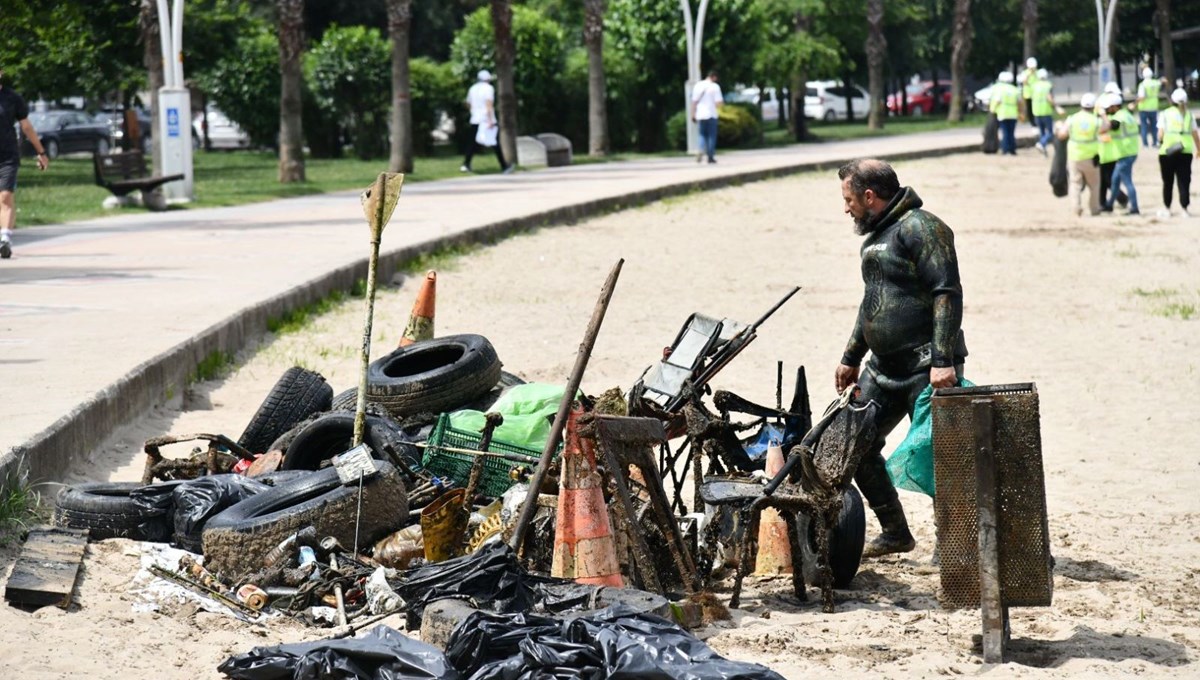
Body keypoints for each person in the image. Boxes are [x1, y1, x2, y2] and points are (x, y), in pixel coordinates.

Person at [834, 159, 967, 559]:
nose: (846, 208)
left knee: (941, 457)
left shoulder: (921, 228)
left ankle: (954, 546)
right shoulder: (874, 239)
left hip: (927, 368)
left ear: (870, 196)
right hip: (883, 368)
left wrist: (942, 360)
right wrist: (851, 356)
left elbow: (947, 292)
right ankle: (895, 531)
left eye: (849, 199)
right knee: (852, 445)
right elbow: (871, 301)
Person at [0, 68, 50, 259]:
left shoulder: (12, 98)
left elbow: (26, 126)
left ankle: (5, 240)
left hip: (7, 156)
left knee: (5, 197)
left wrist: (41, 152)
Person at [1057, 92, 1108, 217]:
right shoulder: (1096, 121)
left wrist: (1059, 128)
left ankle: (1076, 208)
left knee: (1075, 183)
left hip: (1074, 156)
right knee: (1094, 185)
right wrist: (1103, 114)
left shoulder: (1072, 119)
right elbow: (1106, 127)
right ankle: (1094, 209)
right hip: (1091, 157)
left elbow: (1061, 135)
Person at [1156, 88, 1200, 218]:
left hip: (1167, 152)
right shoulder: (1189, 115)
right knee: (1184, 181)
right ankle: (1184, 209)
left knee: (1167, 181)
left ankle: (1167, 208)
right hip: (1185, 151)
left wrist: (1161, 141)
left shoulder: (1165, 114)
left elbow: (1160, 134)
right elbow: (1195, 135)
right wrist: (1199, 149)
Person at [460, 69, 511, 175]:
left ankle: (466, 164)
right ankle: (504, 166)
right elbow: (489, 104)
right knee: (495, 143)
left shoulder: (472, 88)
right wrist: (490, 120)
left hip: (475, 119)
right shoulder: (489, 88)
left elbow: (468, 103)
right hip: (485, 119)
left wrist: (473, 111)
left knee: (472, 143)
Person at [1105, 93, 1140, 215]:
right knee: (1115, 180)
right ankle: (1109, 205)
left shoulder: (1119, 117)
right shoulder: (1126, 114)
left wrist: (1103, 115)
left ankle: (1134, 207)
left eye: (1109, 107)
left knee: (1127, 181)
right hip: (1129, 151)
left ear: (1115, 106)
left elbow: (1112, 126)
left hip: (1125, 153)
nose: (1108, 109)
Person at [1097, 90, 1127, 212]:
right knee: (1102, 183)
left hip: (1109, 155)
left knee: (1108, 181)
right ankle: (1102, 204)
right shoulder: (1106, 119)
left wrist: (1103, 116)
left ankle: (1122, 198)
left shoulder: (1112, 120)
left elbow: (1104, 129)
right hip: (1103, 154)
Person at [690, 71, 723, 164]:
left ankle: (700, 150)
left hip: (700, 114)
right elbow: (718, 102)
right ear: (713, 77)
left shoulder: (698, 85)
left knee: (702, 135)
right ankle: (710, 156)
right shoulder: (715, 87)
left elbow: (694, 101)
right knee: (711, 136)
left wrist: (693, 114)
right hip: (711, 114)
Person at [1030, 68, 1061, 154]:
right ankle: (1041, 144)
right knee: (1050, 133)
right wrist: (1056, 107)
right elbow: (1049, 98)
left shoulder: (1034, 85)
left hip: (1036, 112)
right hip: (1046, 111)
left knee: (1042, 132)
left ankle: (1043, 148)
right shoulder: (1048, 85)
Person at [990, 71, 1020, 156]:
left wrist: (992, 110)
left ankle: (1005, 149)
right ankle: (1013, 149)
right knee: (1011, 132)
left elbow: (997, 101)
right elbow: (1019, 102)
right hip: (1013, 114)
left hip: (1003, 114)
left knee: (1005, 132)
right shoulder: (1015, 89)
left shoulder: (1000, 89)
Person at [1136, 67, 1163, 148]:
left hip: (1143, 108)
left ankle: (1145, 144)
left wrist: (1134, 103)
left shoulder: (1142, 85)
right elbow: (1161, 81)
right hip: (1153, 107)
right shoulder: (1155, 83)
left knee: (1144, 126)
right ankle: (1155, 142)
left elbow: (1141, 97)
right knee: (1154, 126)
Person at [1021, 57, 1040, 127]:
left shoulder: (1037, 72)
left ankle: (1037, 121)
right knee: (1030, 109)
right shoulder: (1025, 73)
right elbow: (1024, 82)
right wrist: (1029, 75)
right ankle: (1032, 122)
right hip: (1028, 94)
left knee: (1037, 108)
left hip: (1037, 94)